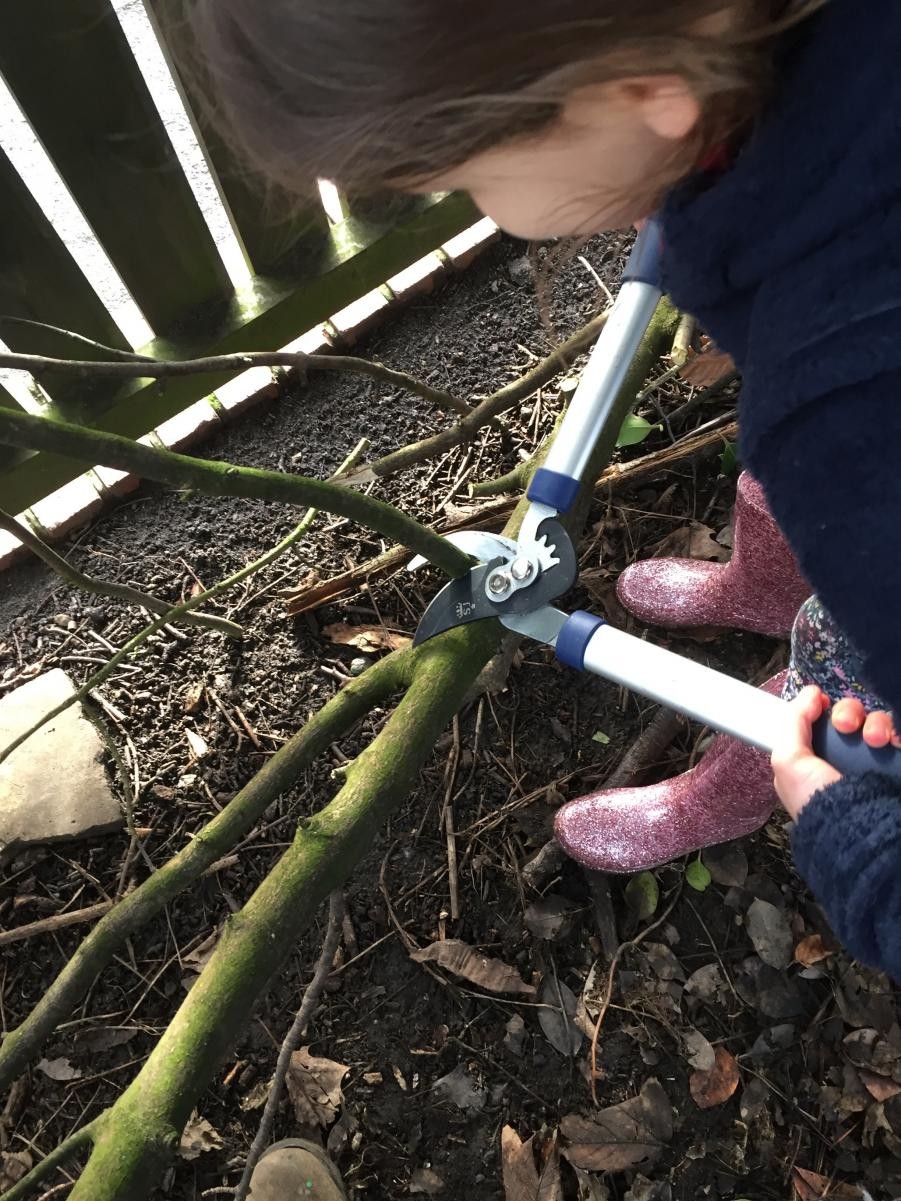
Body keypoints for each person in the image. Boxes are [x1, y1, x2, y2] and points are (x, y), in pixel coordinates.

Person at [190, 0, 901, 980]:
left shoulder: (845, 424)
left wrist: (858, 844)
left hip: (871, 604)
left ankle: (735, 789)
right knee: (786, 498)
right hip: (855, 510)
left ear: (645, 86)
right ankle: (765, 588)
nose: (479, 205)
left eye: (468, 179)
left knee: (832, 702)